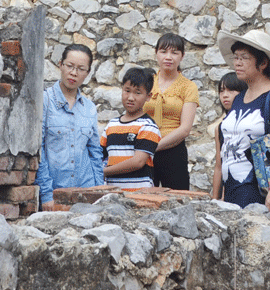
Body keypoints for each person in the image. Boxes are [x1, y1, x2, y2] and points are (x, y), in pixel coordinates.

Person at [216, 29, 270, 210]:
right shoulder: (239, 98)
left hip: (258, 190)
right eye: (236, 57)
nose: (237, 63)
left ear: (262, 63)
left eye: (244, 57)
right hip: (231, 186)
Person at [36, 44, 104, 211]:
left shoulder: (89, 108)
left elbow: (95, 153)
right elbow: (38, 151)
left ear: (88, 73)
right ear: (60, 65)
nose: (74, 73)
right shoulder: (44, 101)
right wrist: (46, 194)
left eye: (81, 69)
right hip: (55, 194)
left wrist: (98, 191)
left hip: (86, 193)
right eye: (70, 66)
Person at [143, 33, 200, 191]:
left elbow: (185, 129)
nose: (168, 57)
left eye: (174, 52)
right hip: (143, 149)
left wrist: (154, 147)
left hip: (173, 151)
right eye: (163, 51)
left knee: (178, 199)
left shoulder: (188, 87)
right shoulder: (146, 83)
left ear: (182, 56)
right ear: (156, 53)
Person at [101, 67, 161, 189]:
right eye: (127, 91)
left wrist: (104, 172)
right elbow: (99, 156)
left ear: (148, 96)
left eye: (138, 93)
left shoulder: (148, 126)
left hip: (139, 195)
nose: (130, 97)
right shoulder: (111, 126)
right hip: (112, 194)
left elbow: (138, 162)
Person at [210, 71, 246, 200]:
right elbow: (219, 166)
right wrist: (215, 199)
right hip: (229, 190)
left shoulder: (251, 125)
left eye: (231, 90)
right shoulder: (220, 128)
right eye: (221, 91)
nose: (225, 95)